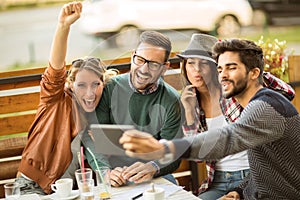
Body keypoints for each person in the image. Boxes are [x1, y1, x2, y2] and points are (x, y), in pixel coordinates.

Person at [119, 38, 300, 199]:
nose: (223, 75)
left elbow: (228, 138)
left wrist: (164, 148)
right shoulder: (251, 108)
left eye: (232, 67)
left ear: (254, 73)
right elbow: (261, 168)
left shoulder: (264, 107)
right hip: (243, 188)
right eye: (220, 68)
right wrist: (238, 190)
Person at [177, 34, 295, 199]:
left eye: (203, 63)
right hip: (218, 180)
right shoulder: (190, 101)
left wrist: (250, 71)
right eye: (190, 63)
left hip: (252, 175)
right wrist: (189, 112)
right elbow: (200, 156)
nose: (196, 70)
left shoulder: (237, 92)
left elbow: (287, 92)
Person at [16, 1, 117, 195]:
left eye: (96, 85)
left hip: (75, 191)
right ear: (70, 85)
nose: (89, 93)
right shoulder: (55, 100)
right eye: (81, 85)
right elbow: (55, 69)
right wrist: (64, 26)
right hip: (34, 188)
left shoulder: (103, 109)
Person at [83, 30, 183, 187]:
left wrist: (153, 167)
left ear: (164, 68)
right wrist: (105, 172)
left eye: (154, 64)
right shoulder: (108, 89)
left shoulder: (172, 101)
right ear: (132, 56)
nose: (144, 69)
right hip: (115, 174)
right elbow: (91, 137)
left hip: (152, 176)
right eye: (140, 60)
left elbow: (173, 153)